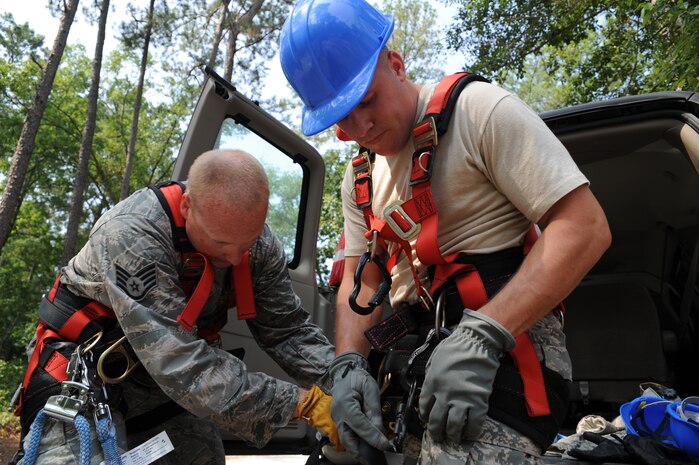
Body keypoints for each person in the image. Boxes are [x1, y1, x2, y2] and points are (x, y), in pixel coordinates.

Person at [279, 0, 612, 464]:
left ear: (396, 65)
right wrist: (349, 363)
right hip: (412, 351)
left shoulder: (479, 111)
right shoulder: (358, 174)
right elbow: (362, 277)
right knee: (337, 455)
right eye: (339, 117)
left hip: (506, 343)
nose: (358, 128)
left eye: (365, 101)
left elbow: (584, 226)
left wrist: (486, 334)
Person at [14, 149, 341, 465]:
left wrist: (344, 380)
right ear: (187, 206)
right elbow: (182, 365)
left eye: (248, 242)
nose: (234, 258)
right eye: (222, 243)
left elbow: (287, 330)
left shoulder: (257, 245)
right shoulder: (132, 234)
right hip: (86, 375)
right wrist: (305, 403)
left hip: (159, 388)